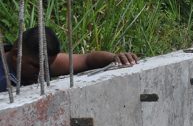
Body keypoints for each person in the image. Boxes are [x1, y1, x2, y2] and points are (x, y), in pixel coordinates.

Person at [0, 26, 138, 93]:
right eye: (36, 67)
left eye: (47, 66)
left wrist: (114, 58)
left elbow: (87, 60)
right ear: (16, 55)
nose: (42, 73)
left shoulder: (40, 63)